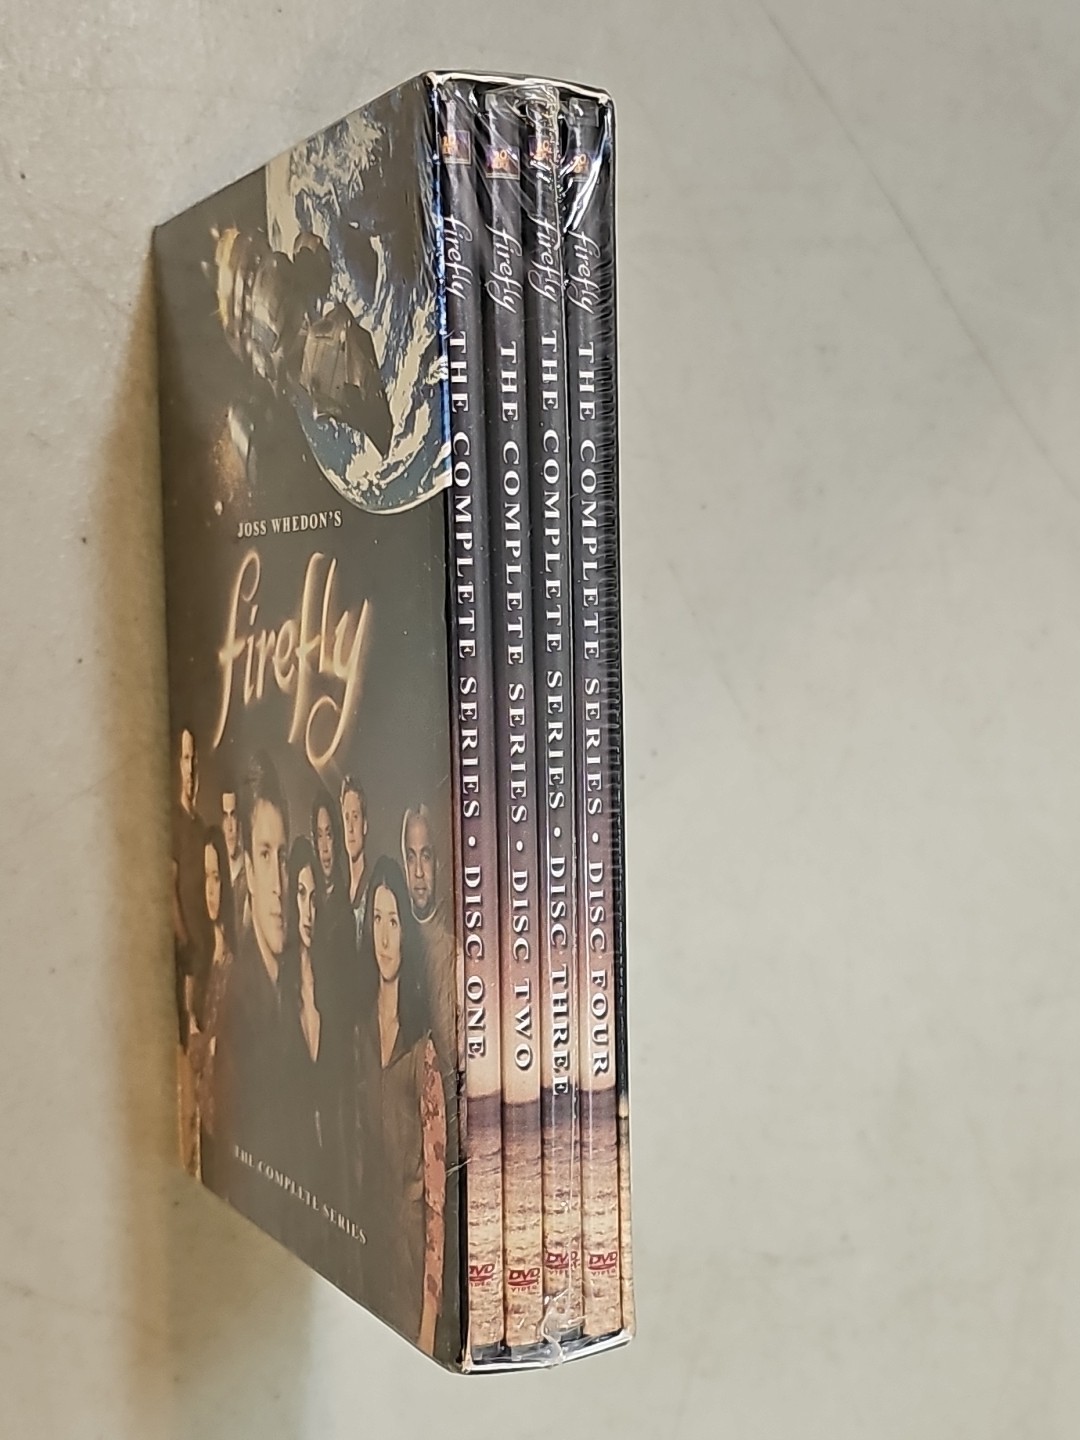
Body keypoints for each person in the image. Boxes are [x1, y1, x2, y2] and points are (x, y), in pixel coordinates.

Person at [354, 855, 446, 1354]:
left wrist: (429, 1320)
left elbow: (436, 1198)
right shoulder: (360, 1037)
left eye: (394, 921)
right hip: (370, 1261)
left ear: (405, 933)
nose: (385, 937)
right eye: (377, 919)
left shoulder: (423, 1052)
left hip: (411, 1269)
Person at [216, 751, 293, 1219]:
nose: (279, 883)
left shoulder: (300, 989)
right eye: (265, 855)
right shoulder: (237, 1000)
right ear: (246, 863)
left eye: (283, 856)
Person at [188, 825, 236, 1190]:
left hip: (227, 1132)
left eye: (217, 878)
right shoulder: (202, 963)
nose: (210, 889)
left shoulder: (236, 966)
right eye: (206, 878)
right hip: (199, 1127)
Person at [400, 804, 456, 1088]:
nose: (419, 872)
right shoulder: (393, 941)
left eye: (426, 856)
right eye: (411, 858)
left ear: (438, 863)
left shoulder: (454, 948)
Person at [341, 776, 369, 951]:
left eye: (355, 817)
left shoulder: (374, 889)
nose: (350, 828)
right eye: (346, 818)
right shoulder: (342, 895)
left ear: (364, 825)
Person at [222, 781, 250, 936]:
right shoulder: (215, 873)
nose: (230, 827)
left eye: (233, 815)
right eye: (225, 817)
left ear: (239, 820)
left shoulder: (251, 873)